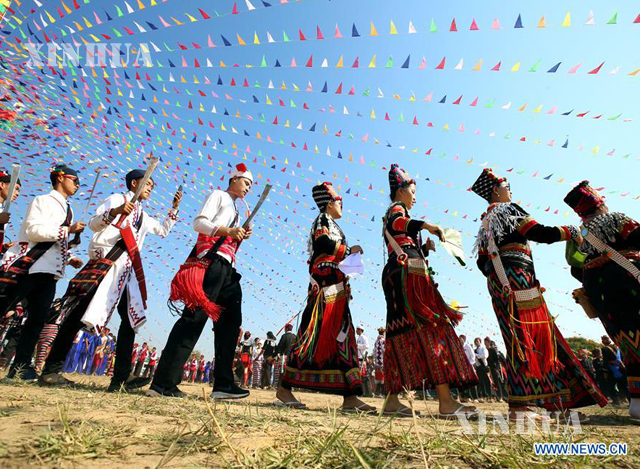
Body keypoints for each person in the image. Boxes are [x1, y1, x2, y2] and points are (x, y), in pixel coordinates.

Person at [472, 168, 607, 422]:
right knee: (534, 339)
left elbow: (482, 264)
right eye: (505, 185)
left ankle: (551, 405)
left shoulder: (485, 224)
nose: (509, 189)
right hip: (519, 279)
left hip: (500, 283)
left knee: (522, 339)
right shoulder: (509, 210)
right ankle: (522, 409)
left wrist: (502, 277)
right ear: (495, 191)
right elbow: (540, 233)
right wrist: (571, 232)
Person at [39, 170, 181, 392]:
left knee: (129, 320)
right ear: (134, 183)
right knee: (78, 315)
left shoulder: (142, 214)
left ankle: (122, 377)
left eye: (152, 185)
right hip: (106, 265)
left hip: (126, 271)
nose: (151, 188)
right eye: (147, 183)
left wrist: (173, 209)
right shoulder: (117, 199)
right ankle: (51, 369)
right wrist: (115, 212)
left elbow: (162, 230)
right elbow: (95, 223)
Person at [148, 164, 254, 399]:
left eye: (250, 185)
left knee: (230, 324)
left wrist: (240, 235)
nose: (248, 188)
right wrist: (228, 230)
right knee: (194, 319)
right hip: (211, 263)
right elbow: (199, 223)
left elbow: (229, 241)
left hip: (228, 268)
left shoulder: (237, 209)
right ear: (234, 179)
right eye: (246, 182)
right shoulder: (219, 195)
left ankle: (223, 384)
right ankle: (163, 384)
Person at [381, 165, 477, 417]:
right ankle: (445, 402)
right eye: (412, 191)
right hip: (407, 275)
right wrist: (427, 225)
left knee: (403, 330)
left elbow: (400, 234)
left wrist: (425, 249)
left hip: (401, 272)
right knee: (430, 326)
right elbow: (398, 223)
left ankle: (392, 400)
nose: (415, 197)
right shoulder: (396, 210)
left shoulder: (398, 213)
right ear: (400, 191)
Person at [277, 182, 374, 412]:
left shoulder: (334, 225)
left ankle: (350, 397)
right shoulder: (322, 220)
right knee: (311, 337)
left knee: (342, 336)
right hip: (324, 287)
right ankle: (284, 388)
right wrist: (349, 251)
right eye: (340, 201)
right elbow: (322, 243)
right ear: (330, 203)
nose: (342, 205)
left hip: (336, 285)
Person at [564, 181, 640, 422]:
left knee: (628, 344)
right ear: (598, 203)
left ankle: (637, 402)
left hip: (599, 291)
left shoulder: (580, 235)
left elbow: (575, 269)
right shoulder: (615, 219)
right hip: (628, 280)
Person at [1, 164, 85, 381]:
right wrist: (68, 230)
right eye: (74, 179)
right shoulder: (43, 201)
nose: (77, 184)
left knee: (37, 320)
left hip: (50, 271)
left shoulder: (68, 208)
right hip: (29, 266)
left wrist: (70, 255)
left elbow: (59, 241)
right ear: (60, 178)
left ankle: (20, 368)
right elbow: (33, 230)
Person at [0, 168, 21, 255]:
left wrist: (3, 248)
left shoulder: (2, 209)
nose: (17, 193)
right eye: (16, 188)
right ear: (2, 184)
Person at [474, 337, 492, 402]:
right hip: (478, 368)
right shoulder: (474, 350)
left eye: (477, 341)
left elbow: (484, 355)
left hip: (484, 367)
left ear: (480, 342)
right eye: (475, 341)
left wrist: (476, 355)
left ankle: (489, 396)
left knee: (487, 381)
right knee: (480, 382)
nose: (476, 342)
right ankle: (483, 396)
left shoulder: (483, 348)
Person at [373, 327, 386, 396]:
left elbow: (374, 351)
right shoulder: (383, 341)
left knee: (378, 377)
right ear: (383, 333)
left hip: (377, 361)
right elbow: (384, 350)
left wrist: (374, 359)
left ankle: (377, 392)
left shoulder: (376, 341)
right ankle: (382, 392)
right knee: (382, 377)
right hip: (382, 360)